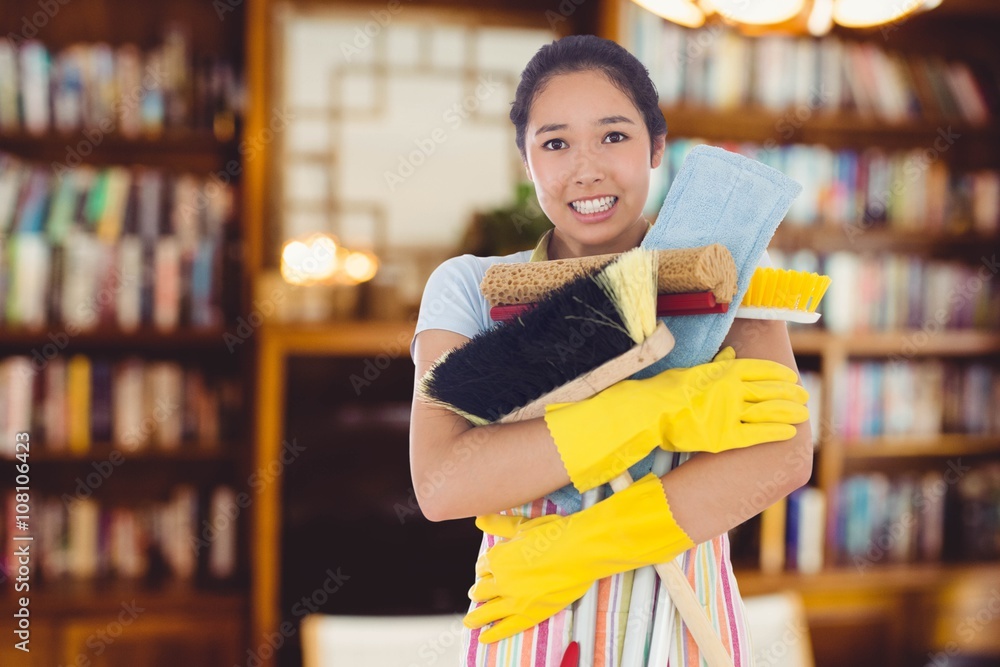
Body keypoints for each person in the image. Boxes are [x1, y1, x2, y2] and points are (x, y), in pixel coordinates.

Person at [409, 34, 812, 666]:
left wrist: (586, 544)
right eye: (555, 143)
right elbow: (441, 484)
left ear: (656, 148)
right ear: (526, 161)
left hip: (684, 624)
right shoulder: (470, 288)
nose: (586, 167)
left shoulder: (719, 270)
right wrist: (655, 407)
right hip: (528, 623)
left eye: (614, 136)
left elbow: (782, 457)